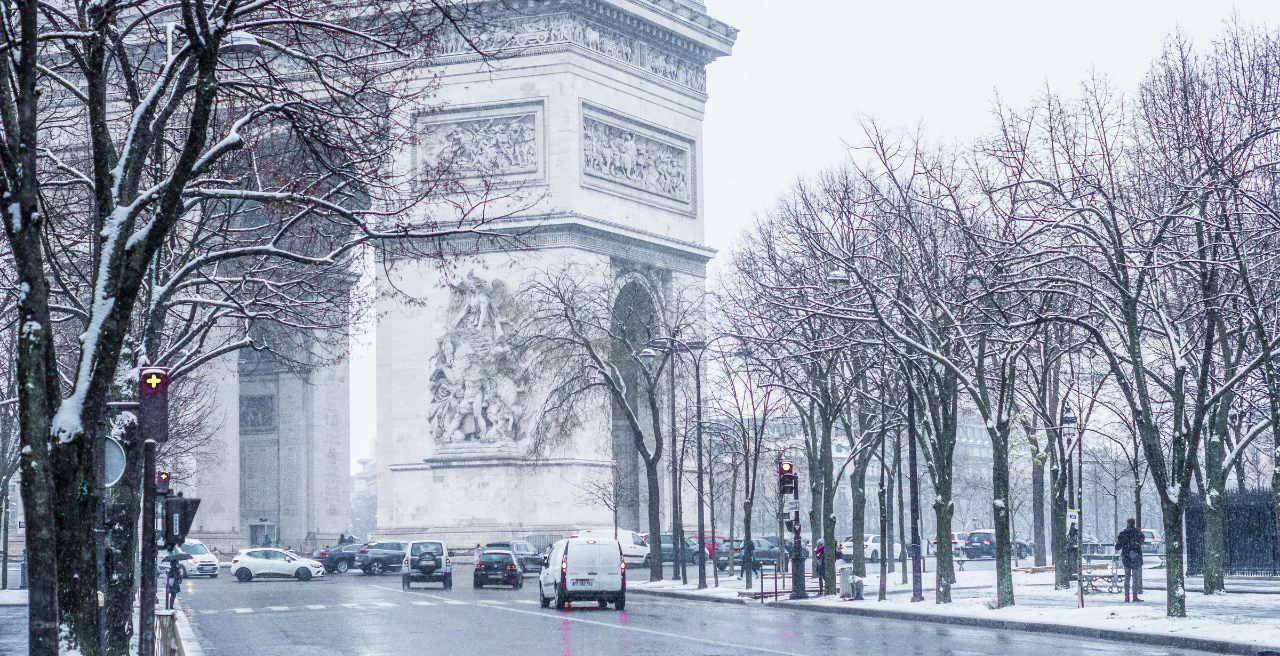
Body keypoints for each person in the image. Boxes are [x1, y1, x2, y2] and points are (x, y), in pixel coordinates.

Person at [1115, 518, 1145, 602]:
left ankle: (1126, 596)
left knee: (1127, 578)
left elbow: (1117, 547)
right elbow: (1142, 541)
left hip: (1126, 558)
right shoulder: (1139, 534)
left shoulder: (1122, 534)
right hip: (1136, 558)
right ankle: (1135, 596)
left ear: (1127, 523)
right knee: (1135, 578)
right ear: (1134, 523)